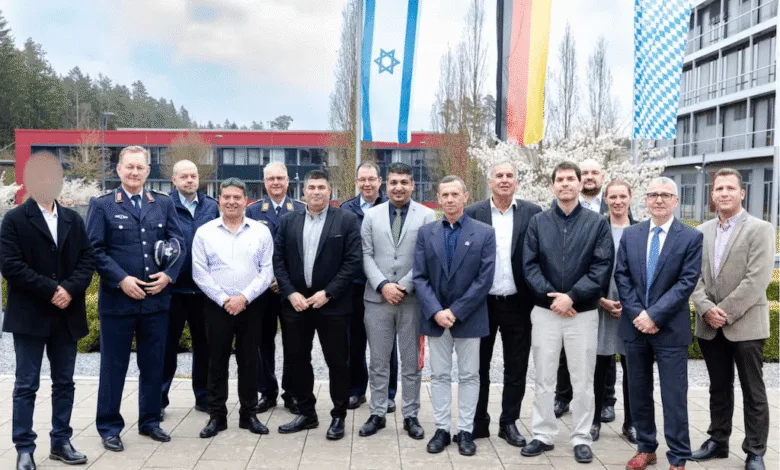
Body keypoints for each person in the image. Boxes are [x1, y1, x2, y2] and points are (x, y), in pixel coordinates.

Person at [86, 145, 185, 452]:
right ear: (118, 170)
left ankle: (150, 421)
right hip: (118, 302)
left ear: (148, 171)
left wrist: (169, 275)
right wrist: (121, 279)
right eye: (128, 167)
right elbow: (94, 250)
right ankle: (109, 427)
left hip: (156, 301)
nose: (134, 172)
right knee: (113, 367)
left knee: (153, 364)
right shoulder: (101, 205)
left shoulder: (163, 203)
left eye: (140, 168)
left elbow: (178, 241)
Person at [1, 152, 95, 470]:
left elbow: (87, 260)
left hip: (66, 314)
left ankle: (60, 441)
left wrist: (68, 289)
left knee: (64, 382)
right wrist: (51, 289)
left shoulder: (73, 219)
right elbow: (11, 266)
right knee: (26, 384)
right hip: (30, 315)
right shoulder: (14, 220)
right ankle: (24, 447)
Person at [521, 161, 613, 464]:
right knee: (545, 376)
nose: (565, 184)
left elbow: (601, 267)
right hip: (546, 312)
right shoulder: (538, 222)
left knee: (582, 378)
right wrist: (554, 299)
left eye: (570, 179)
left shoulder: (598, 223)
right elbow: (529, 266)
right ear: (553, 185)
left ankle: (581, 437)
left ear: (579, 184)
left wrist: (572, 296)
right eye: (559, 180)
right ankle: (543, 434)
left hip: (582, 313)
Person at [615, 176, 703, 470]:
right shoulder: (632, 235)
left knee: (673, 396)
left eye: (666, 195)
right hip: (635, 327)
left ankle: (678, 457)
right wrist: (639, 314)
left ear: (676, 201)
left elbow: (686, 282)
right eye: (653, 194)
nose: (659, 199)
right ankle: (646, 448)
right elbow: (622, 276)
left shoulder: (690, 237)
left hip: (670, 330)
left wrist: (654, 315)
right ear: (646, 200)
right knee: (638, 392)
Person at [690, 169, 775, 470]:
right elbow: (693, 277)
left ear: (742, 193)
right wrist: (704, 307)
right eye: (718, 189)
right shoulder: (701, 231)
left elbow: (757, 279)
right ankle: (717, 441)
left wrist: (721, 312)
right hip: (709, 326)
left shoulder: (760, 229)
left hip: (746, 325)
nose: (724, 193)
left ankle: (755, 451)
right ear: (712, 195)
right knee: (718, 387)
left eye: (730, 188)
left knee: (753, 390)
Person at [273, 170, 362, 440]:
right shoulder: (288, 221)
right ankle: (306, 412)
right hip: (296, 306)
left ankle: (338, 416)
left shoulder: (346, 221)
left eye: (321, 187)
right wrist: (289, 293)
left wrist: (329, 293)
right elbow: (278, 260)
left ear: (330, 191)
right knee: (298, 360)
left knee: (337, 363)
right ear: (303, 192)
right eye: (311, 187)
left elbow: (352, 262)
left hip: (332, 305)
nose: (316, 192)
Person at [413, 175, 496, 457]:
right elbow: (420, 277)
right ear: (439, 198)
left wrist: (456, 311)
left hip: (469, 317)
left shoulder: (484, 233)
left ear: (466, 196)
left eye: (454, 194)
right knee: (439, 376)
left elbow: (484, 280)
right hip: (435, 318)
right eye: (444, 195)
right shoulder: (426, 233)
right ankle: (442, 429)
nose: (449, 199)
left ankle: (465, 431)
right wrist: (436, 310)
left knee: (471, 376)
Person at [466, 161, 541, 447]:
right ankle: (478, 422)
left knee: (516, 367)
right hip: (481, 304)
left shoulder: (533, 213)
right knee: (478, 366)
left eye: (510, 175)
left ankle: (508, 422)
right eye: (499, 175)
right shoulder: (473, 213)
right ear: (490, 181)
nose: (505, 180)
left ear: (517, 182)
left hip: (518, 303)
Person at [358, 162, 436, 440]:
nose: (398, 187)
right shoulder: (371, 216)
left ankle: (411, 415)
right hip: (377, 300)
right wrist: (382, 285)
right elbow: (365, 254)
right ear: (385, 184)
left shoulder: (427, 216)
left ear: (412, 185)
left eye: (404, 182)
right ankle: (378, 412)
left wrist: (401, 286)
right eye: (393, 182)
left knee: (411, 362)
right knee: (378, 361)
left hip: (411, 300)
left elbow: (426, 257)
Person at [192, 178, 275, 438]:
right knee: (216, 362)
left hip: (250, 305)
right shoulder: (205, 232)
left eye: (236, 197)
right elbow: (199, 272)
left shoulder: (261, 231)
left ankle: (248, 414)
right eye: (226, 197)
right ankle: (217, 416)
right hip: (218, 306)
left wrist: (244, 298)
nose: (231, 202)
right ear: (219, 200)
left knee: (249, 361)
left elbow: (267, 270)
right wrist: (224, 299)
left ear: (246, 201)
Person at [555, 157, 620, 422]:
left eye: (595, 172)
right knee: (563, 349)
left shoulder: (615, 205)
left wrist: (603, 295)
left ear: (601, 177)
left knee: (606, 349)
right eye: (587, 172)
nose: (590, 176)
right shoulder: (561, 207)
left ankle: (607, 400)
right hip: (568, 293)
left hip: (603, 290)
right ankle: (563, 396)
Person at [161, 160, 219, 418]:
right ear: (174, 180)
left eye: (193, 176)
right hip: (172, 290)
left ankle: (204, 396)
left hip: (204, 290)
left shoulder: (211, 206)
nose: (189, 180)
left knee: (204, 346)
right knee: (166, 347)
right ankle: (159, 399)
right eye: (183, 176)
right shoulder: (163, 206)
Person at [340, 161, 399, 411]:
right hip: (354, 287)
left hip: (383, 287)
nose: (367, 184)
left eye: (371, 179)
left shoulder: (392, 208)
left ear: (379, 181)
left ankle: (387, 393)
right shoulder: (346, 210)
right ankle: (356, 390)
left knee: (385, 343)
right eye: (362, 179)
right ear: (357, 182)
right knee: (354, 343)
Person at [245, 162, 304, 413]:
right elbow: (248, 251)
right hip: (263, 290)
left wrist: (285, 280)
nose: (276, 183)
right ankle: (266, 392)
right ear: (264, 182)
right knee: (262, 342)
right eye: (271, 179)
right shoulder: (253, 211)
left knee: (294, 343)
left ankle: (291, 392)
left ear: (288, 181)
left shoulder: (301, 210)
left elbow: (304, 252)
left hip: (291, 289)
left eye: (280, 178)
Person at [590, 180, 636, 444]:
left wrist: (632, 304)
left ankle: (631, 422)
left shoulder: (642, 229)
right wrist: (600, 299)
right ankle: (595, 421)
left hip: (632, 308)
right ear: (605, 199)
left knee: (633, 368)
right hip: (602, 306)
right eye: (612, 196)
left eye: (622, 196)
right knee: (599, 366)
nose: (618, 201)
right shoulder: (597, 228)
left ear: (630, 198)